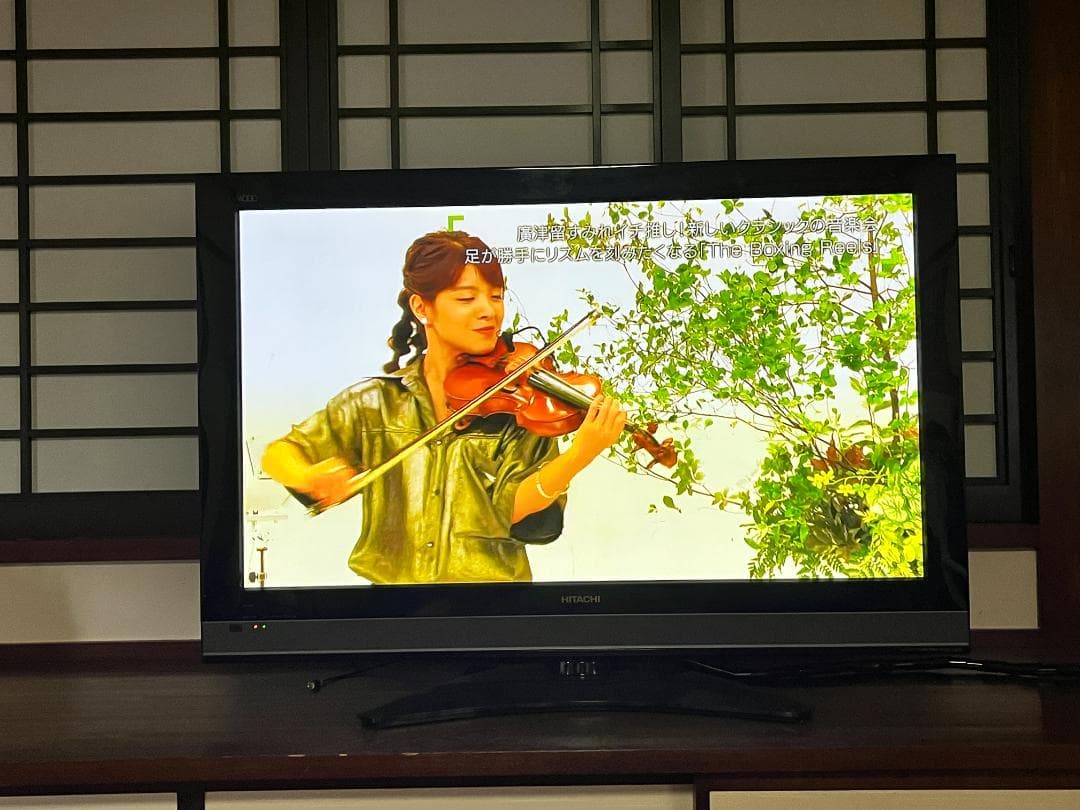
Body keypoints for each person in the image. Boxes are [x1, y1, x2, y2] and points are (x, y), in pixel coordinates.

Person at [261, 230, 626, 584]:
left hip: (493, 610)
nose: (489, 312)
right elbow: (280, 453)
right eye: (467, 299)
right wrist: (308, 478)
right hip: (389, 609)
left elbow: (515, 513)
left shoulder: (521, 406)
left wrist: (579, 456)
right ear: (422, 307)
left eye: (496, 296)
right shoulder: (375, 402)